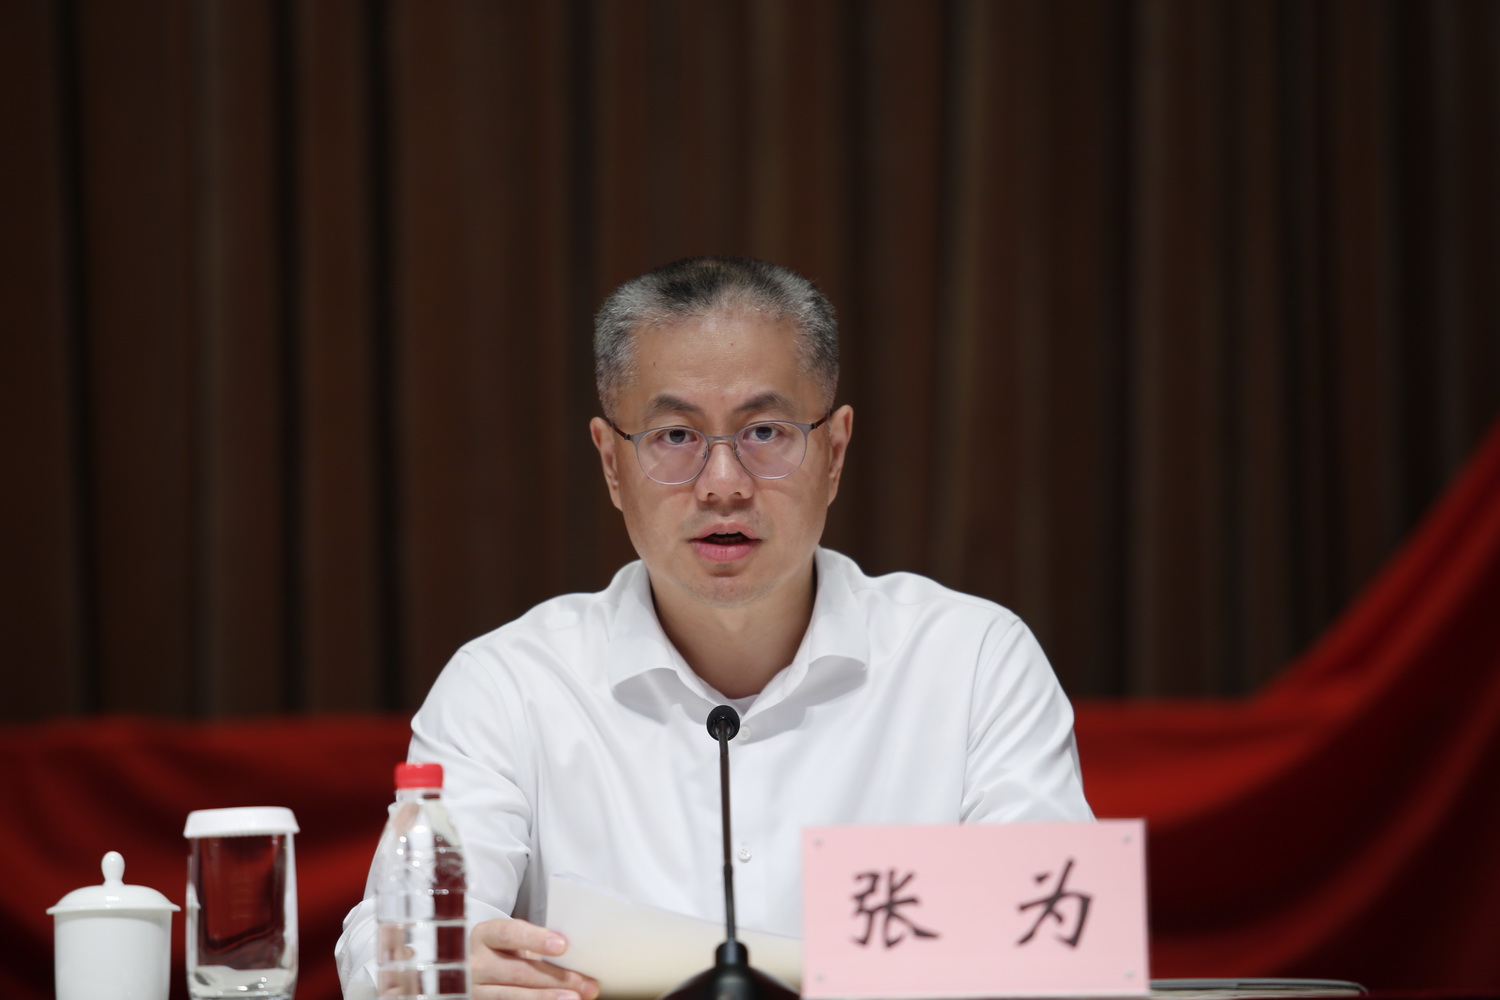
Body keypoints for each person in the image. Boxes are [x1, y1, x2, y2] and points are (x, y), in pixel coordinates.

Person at [335, 256, 1092, 1000]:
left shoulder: (972, 660)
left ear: (834, 452)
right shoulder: (510, 684)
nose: (723, 484)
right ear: (611, 463)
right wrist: (440, 967)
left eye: (765, 432)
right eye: (675, 437)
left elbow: (1061, 942)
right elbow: (395, 938)